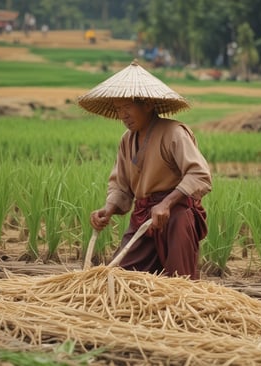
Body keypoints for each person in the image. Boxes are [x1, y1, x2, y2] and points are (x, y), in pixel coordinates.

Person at [77, 60, 212, 279]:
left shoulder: (174, 133)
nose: (123, 115)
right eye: (118, 109)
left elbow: (199, 175)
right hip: (143, 216)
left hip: (176, 215)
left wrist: (166, 203)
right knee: (120, 277)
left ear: (147, 104)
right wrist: (108, 209)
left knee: (180, 282)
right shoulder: (126, 140)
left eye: (127, 107)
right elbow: (120, 186)